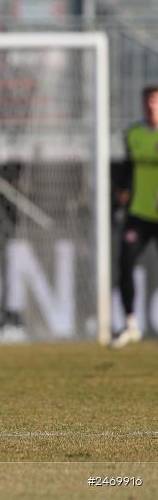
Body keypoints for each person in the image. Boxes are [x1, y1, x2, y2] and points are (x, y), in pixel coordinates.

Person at [113, 83, 158, 349]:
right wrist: (120, 199)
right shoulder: (133, 135)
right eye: (148, 101)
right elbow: (125, 173)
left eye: (156, 101)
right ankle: (130, 325)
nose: (151, 106)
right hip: (139, 215)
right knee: (125, 264)